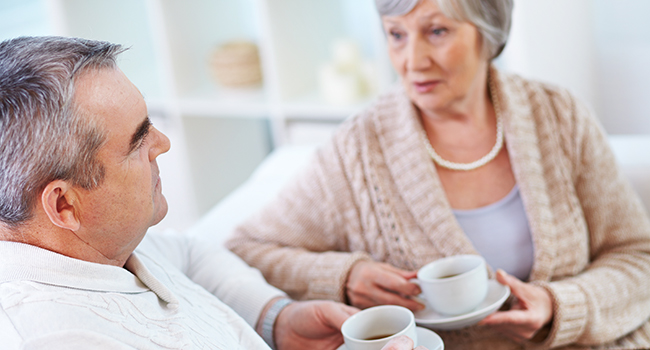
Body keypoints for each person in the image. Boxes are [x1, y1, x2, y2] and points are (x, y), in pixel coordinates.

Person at [226, 0, 650, 349]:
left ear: (488, 32)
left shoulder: (559, 116)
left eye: (437, 32)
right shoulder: (359, 150)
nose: (412, 61)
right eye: (396, 34)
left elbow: (637, 257)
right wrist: (344, 277)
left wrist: (560, 306)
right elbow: (246, 248)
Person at [0, 36, 425, 350]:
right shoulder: (56, 336)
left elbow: (191, 254)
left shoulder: (100, 244)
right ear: (64, 204)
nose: (163, 143)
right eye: (138, 141)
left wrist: (277, 318)